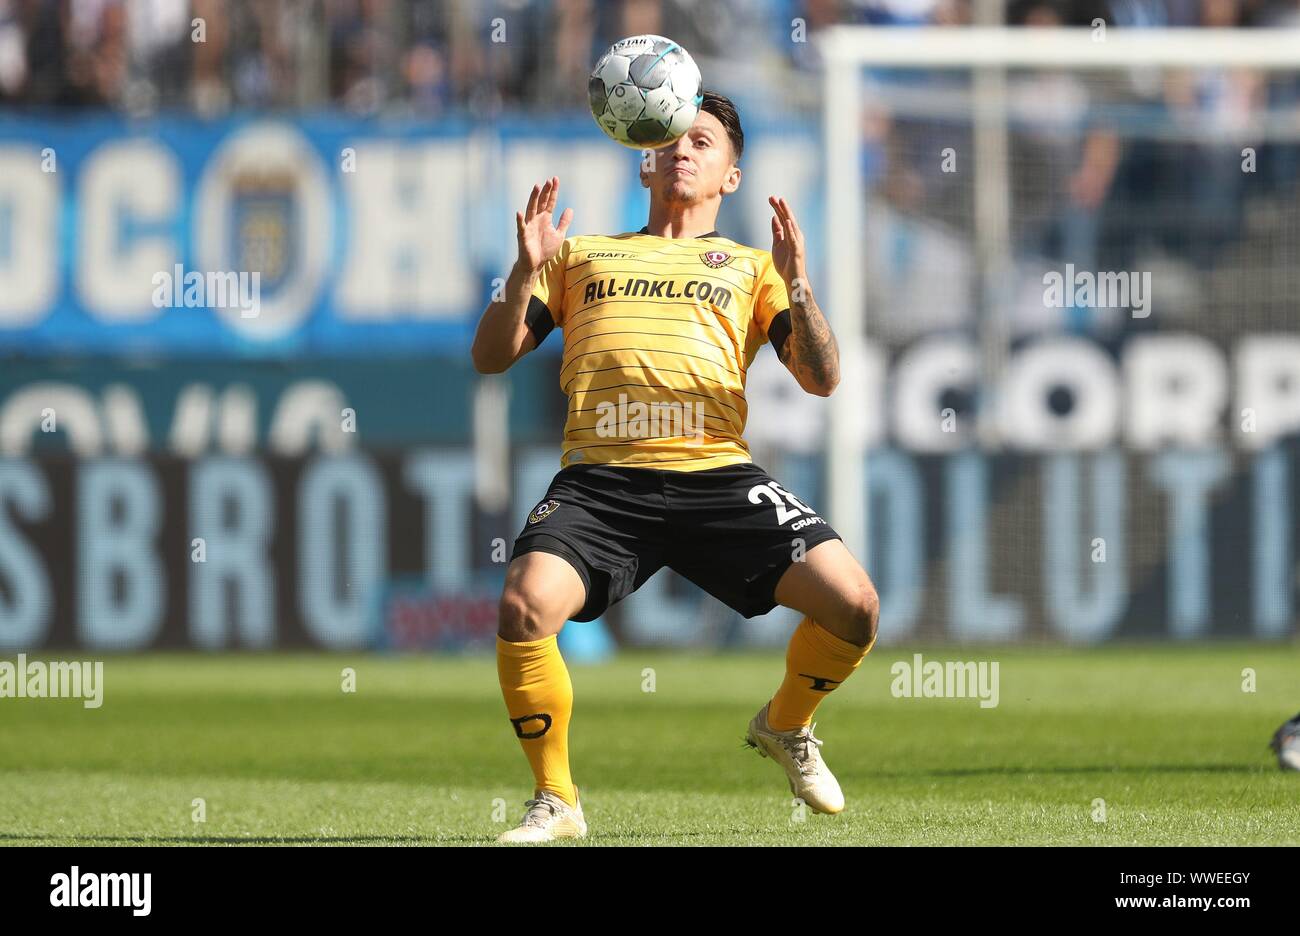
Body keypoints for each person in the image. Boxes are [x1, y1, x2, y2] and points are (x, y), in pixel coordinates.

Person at [472, 91, 880, 843]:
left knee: (855, 606)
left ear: (731, 176)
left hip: (717, 477)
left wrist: (800, 287)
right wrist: (520, 271)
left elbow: (821, 379)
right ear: (643, 163)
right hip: (601, 481)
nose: (683, 151)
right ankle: (556, 799)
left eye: (703, 141)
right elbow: (490, 357)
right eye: (668, 140)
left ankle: (786, 725)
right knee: (524, 608)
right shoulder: (579, 255)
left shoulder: (752, 268)